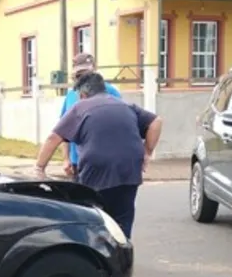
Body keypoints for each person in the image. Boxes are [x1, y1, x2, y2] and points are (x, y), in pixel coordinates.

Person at [33, 72, 162, 238]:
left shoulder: (80, 108)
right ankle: (122, 249)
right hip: (129, 170)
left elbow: (53, 138)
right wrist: (147, 152)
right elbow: (156, 122)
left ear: (82, 94)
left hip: (96, 172)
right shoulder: (124, 105)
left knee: (92, 219)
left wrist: (39, 168)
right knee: (122, 221)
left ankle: (97, 250)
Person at [61, 53, 123, 181]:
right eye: (80, 73)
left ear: (94, 70)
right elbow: (63, 130)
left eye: (86, 72)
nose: (83, 76)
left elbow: (120, 122)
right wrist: (66, 159)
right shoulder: (71, 94)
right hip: (77, 161)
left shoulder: (109, 91)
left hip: (105, 160)